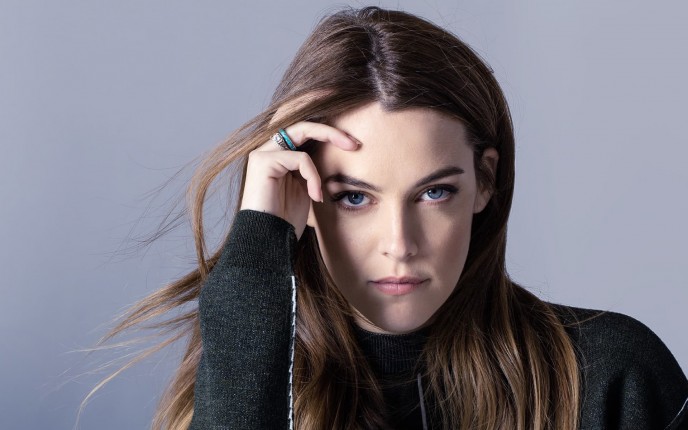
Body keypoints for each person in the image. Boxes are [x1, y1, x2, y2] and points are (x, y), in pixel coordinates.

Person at [96, 6, 687, 430]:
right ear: (301, 195)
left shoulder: (612, 376)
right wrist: (255, 263)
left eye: (434, 193)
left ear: (484, 181)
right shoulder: (245, 383)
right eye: (354, 197)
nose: (399, 245)